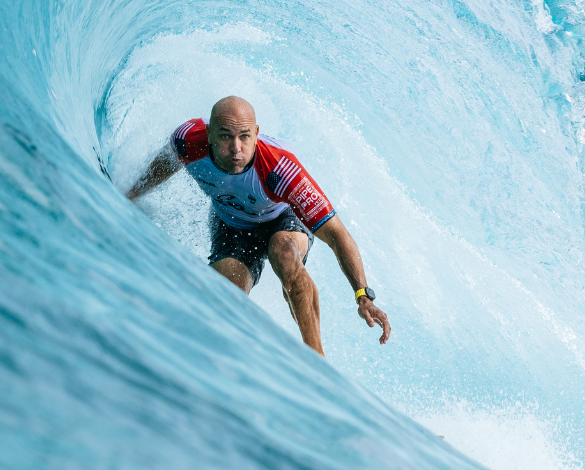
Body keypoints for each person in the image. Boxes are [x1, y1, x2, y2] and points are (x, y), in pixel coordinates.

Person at [126, 96, 390, 356]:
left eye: (244, 137)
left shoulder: (281, 170)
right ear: (209, 134)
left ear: (256, 134)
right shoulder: (187, 141)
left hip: (283, 218)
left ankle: (316, 358)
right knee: (224, 293)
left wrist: (363, 296)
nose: (236, 148)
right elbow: (162, 167)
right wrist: (128, 196)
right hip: (231, 223)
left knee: (284, 252)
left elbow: (337, 235)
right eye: (226, 136)